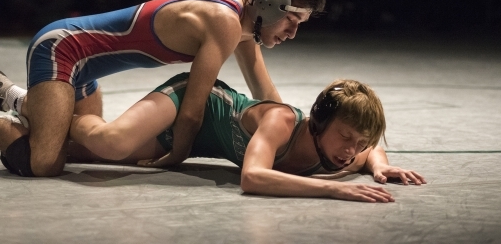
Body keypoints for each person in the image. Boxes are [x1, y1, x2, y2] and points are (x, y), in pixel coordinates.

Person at [0, 0, 327, 178]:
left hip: (85, 70)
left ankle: (7, 92)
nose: (291, 33)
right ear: (271, 2)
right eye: (292, 22)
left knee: (84, 148)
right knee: (44, 162)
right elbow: (191, 111)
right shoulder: (223, 21)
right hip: (63, 50)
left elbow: (267, 96)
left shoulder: (241, 19)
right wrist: (177, 156)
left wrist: (301, 139)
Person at [70, 73, 426, 202]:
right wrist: (333, 188)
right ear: (319, 121)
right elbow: (253, 178)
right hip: (193, 102)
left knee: (79, 157)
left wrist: (381, 168)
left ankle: (41, 129)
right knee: (109, 144)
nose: (352, 151)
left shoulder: (344, 151)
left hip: (191, 142)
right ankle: (62, 115)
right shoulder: (282, 122)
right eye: (347, 136)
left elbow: (371, 151)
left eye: (359, 144)